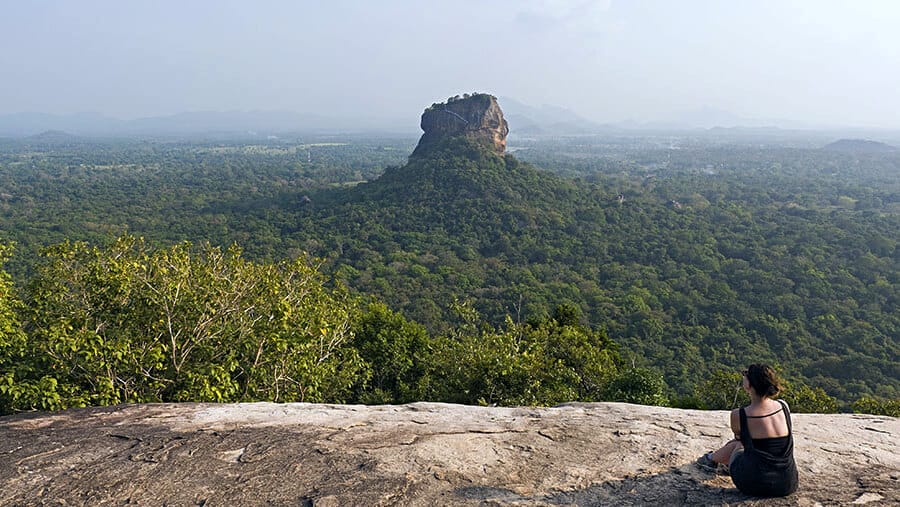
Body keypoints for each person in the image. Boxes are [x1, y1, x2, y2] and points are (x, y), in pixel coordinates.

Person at [697, 364, 799, 497]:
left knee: (737, 445)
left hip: (753, 484)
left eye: (745, 374)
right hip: (787, 484)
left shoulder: (739, 415)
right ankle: (712, 459)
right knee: (744, 444)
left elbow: (739, 442)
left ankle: (710, 459)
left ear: (749, 385)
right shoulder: (783, 406)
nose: (743, 376)